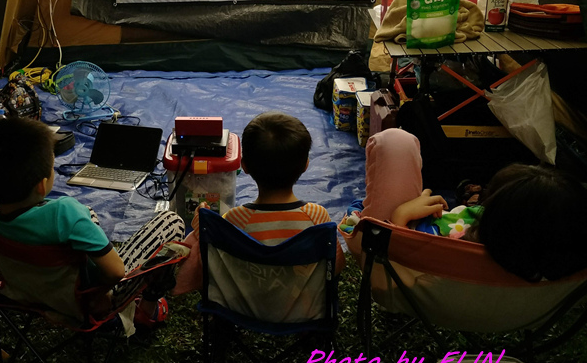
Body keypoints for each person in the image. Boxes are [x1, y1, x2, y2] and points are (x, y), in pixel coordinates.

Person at [0, 117, 185, 327]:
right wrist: (98, 295)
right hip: (86, 302)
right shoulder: (65, 214)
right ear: (41, 186)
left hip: (26, 295)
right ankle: (147, 307)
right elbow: (116, 272)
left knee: (86, 214)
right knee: (171, 222)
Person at [350, 128, 587, 282]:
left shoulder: (451, 249)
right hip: (521, 310)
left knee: (395, 140)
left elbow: (390, 248)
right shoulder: (549, 264)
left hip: (395, 258)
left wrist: (401, 216)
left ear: (496, 221)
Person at [173, 111, 346, 295]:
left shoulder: (235, 220)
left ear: (244, 166)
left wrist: (202, 219)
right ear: (306, 165)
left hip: (242, 308)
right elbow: (337, 265)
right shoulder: (317, 216)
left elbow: (213, 251)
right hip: (301, 313)